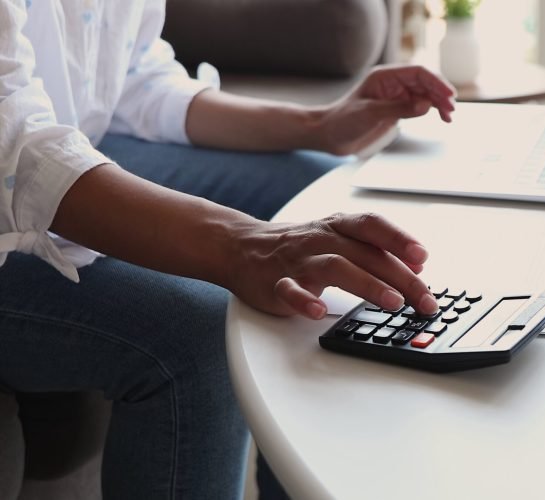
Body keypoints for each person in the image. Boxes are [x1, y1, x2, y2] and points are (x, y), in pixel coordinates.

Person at [0, 0, 455, 498]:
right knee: (195, 334)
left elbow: (136, 79)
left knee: (319, 206)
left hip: (62, 142)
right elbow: (19, 150)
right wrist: (243, 244)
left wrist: (320, 125)